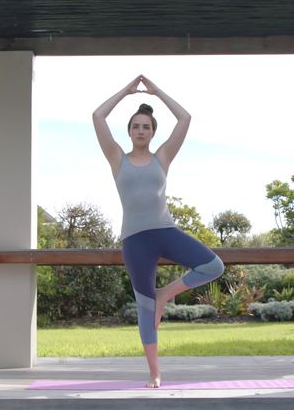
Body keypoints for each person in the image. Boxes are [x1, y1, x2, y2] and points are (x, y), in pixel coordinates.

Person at [93, 75, 224, 388]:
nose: (141, 131)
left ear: (153, 132)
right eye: (136, 126)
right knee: (144, 306)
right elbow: (98, 116)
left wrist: (157, 92)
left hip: (165, 230)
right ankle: (154, 373)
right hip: (135, 241)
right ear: (129, 131)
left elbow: (185, 118)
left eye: (146, 127)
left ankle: (166, 293)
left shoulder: (162, 157)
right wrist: (126, 91)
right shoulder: (116, 158)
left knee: (213, 265)